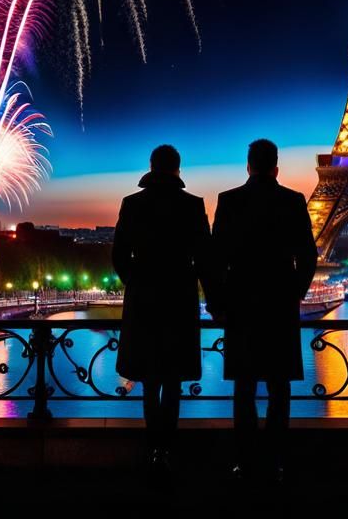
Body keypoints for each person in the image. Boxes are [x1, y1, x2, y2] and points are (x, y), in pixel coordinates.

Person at [210, 138, 318, 481]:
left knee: (243, 389)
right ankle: (275, 460)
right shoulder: (293, 201)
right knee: (279, 388)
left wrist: (219, 302)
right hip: (278, 307)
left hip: (241, 305)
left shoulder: (229, 201)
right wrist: (294, 292)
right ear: (276, 167)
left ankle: (243, 460)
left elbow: (216, 260)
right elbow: (309, 256)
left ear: (248, 166)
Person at [112, 144, 218, 473]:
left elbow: (119, 256)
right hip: (179, 300)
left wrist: (138, 281)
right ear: (177, 169)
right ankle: (166, 448)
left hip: (144, 301)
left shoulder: (132, 204)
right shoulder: (192, 205)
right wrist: (210, 298)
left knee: (148, 377)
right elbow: (205, 260)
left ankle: (152, 446)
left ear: (151, 166)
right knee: (172, 380)